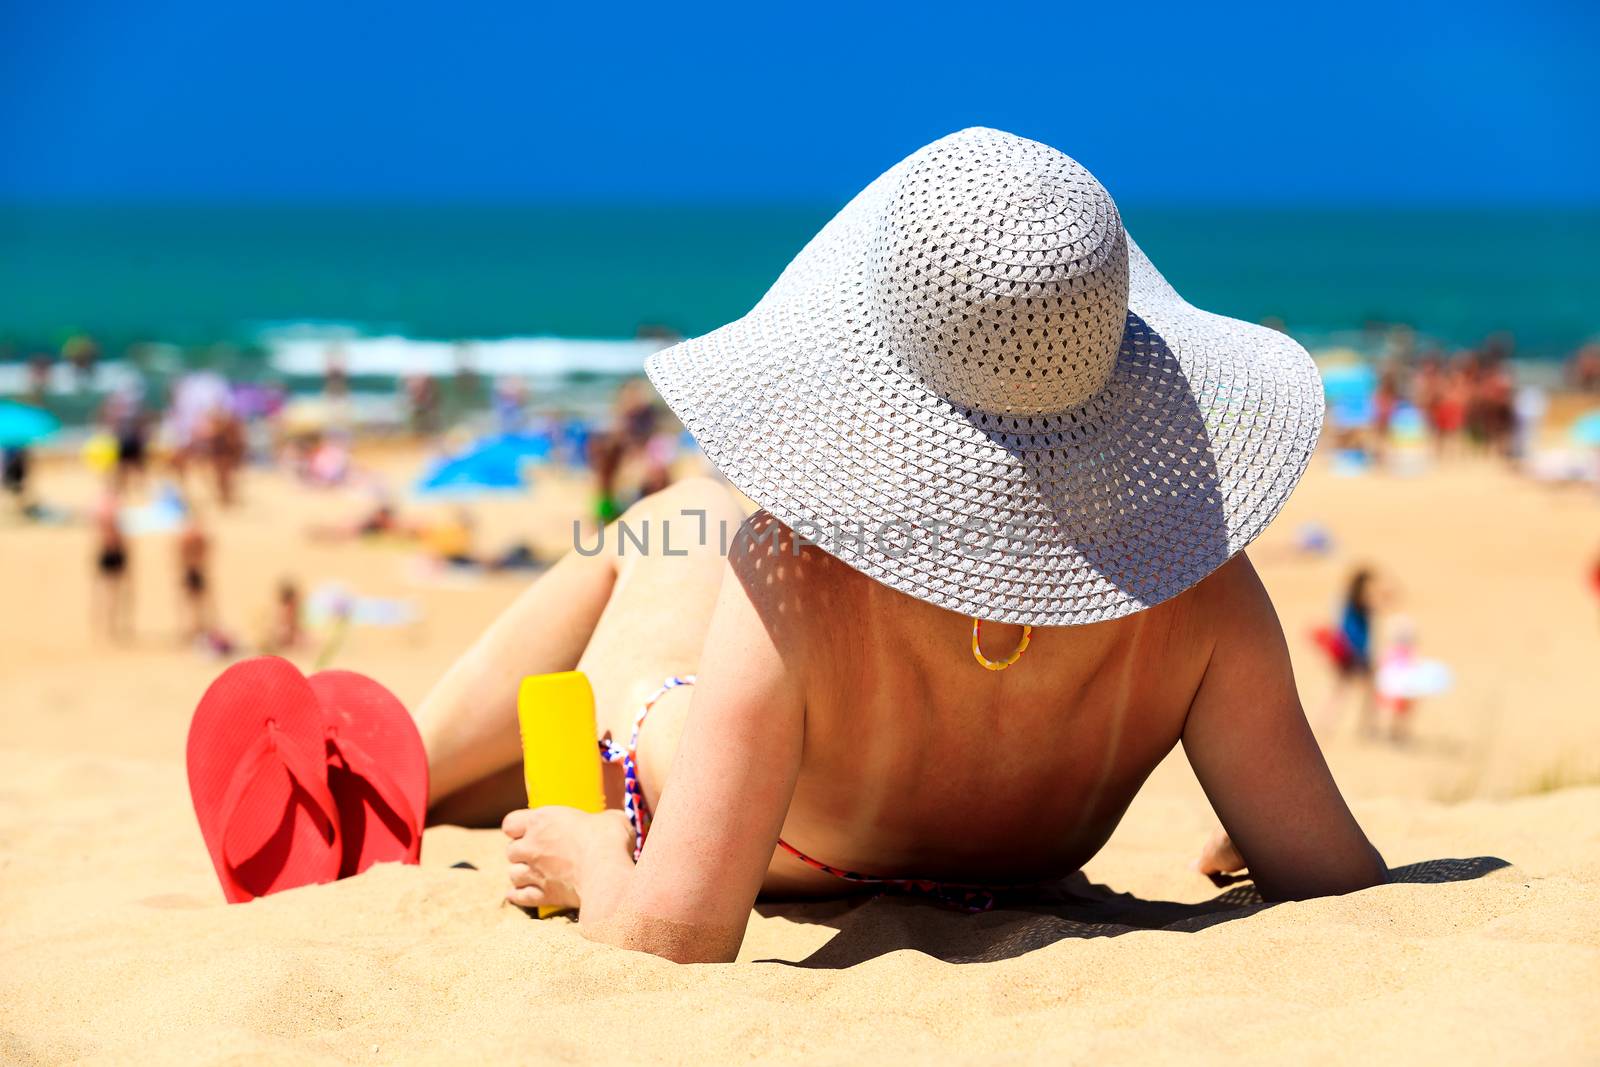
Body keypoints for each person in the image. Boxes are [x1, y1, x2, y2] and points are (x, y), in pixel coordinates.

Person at [412, 131, 1385, 963]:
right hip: (1023, 857)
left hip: (778, 839)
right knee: (692, 525)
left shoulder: (793, 574)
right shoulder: (1199, 574)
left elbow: (673, 937)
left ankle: (393, 767)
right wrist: (1254, 824)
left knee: (675, 520)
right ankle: (417, 777)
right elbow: (1336, 878)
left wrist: (586, 854)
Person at [1312, 568, 1380, 736]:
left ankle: (1326, 725)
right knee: (1354, 690)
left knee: (1341, 690)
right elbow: (1352, 631)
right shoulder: (1357, 602)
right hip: (1354, 653)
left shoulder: (1349, 601)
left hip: (1350, 652)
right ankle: (1363, 728)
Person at [93, 490, 132, 641]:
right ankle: (107, 624)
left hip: (112, 553)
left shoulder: (107, 514)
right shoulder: (112, 513)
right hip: (112, 553)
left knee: (109, 591)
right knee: (109, 591)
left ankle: (108, 624)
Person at [177, 507, 214, 643]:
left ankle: (194, 628)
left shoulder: (188, 535)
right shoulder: (194, 535)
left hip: (192, 569)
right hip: (195, 569)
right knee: (196, 601)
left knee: (194, 601)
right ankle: (195, 627)